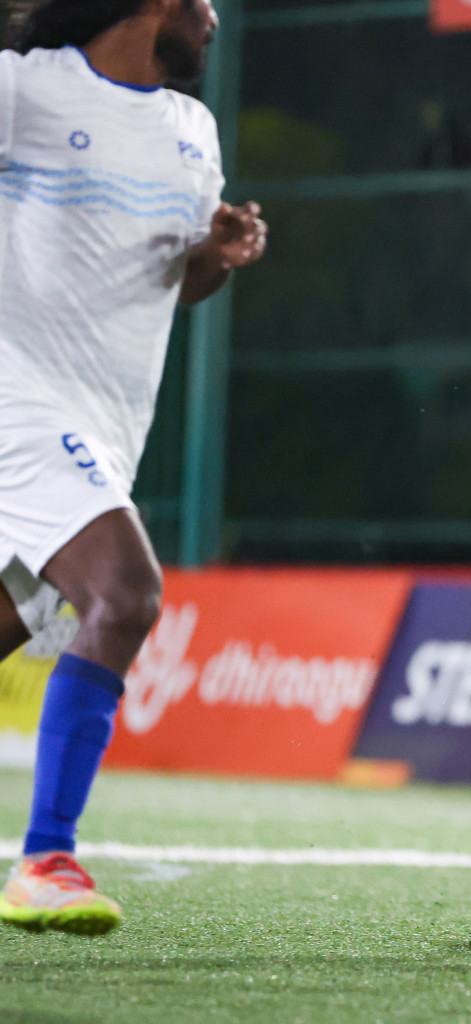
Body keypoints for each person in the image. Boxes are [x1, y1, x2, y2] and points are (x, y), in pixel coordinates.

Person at [0, 0, 267, 935]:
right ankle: (45, 858)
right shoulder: (23, 90)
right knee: (127, 593)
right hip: (17, 405)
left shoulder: (192, 132)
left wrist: (217, 256)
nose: (214, 21)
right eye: (202, 4)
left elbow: (173, 280)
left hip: (109, 427)